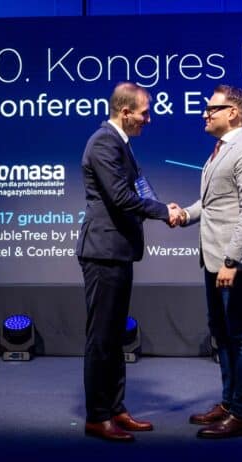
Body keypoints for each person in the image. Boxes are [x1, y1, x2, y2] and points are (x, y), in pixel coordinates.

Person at [76, 82, 180, 442]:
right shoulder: (104, 142)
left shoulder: (120, 143)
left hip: (118, 251)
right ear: (125, 112)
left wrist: (164, 207)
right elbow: (121, 197)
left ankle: (116, 408)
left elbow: (139, 186)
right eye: (144, 113)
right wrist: (163, 213)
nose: (148, 119)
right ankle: (97, 416)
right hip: (102, 252)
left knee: (115, 335)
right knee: (101, 338)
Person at [179, 85, 242, 438]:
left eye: (212, 108)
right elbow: (213, 203)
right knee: (222, 333)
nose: (205, 113)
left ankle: (241, 416)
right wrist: (184, 215)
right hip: (214, 258)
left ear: (232, 112)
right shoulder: (221, 149)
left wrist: (231, 260)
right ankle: (229, 403)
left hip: (237, 263)